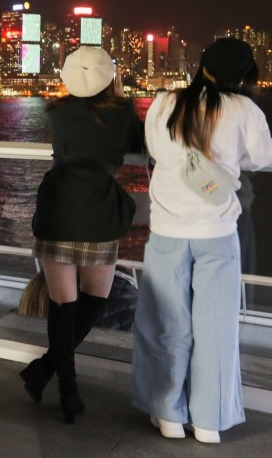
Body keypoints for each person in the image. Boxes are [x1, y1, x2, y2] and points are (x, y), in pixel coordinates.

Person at [132, 38, 272, 443]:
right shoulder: (245, 109)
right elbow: (261, 157)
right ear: (246, 76)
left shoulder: (164, 103)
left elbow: (157, 149)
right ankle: (209, 421)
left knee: (165, 324)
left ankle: (168, 414)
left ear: (203, 66)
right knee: (216, 327)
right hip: (217, 230)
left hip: (168, 230)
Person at [20, 46, 144, 423]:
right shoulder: (123, 113)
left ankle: (64, 388)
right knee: (96, 296)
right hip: (98, 211)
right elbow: (140, 145)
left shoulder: (57, 112)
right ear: (109, 78)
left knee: (63, 304)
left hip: (58, 206)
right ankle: (46, 372)